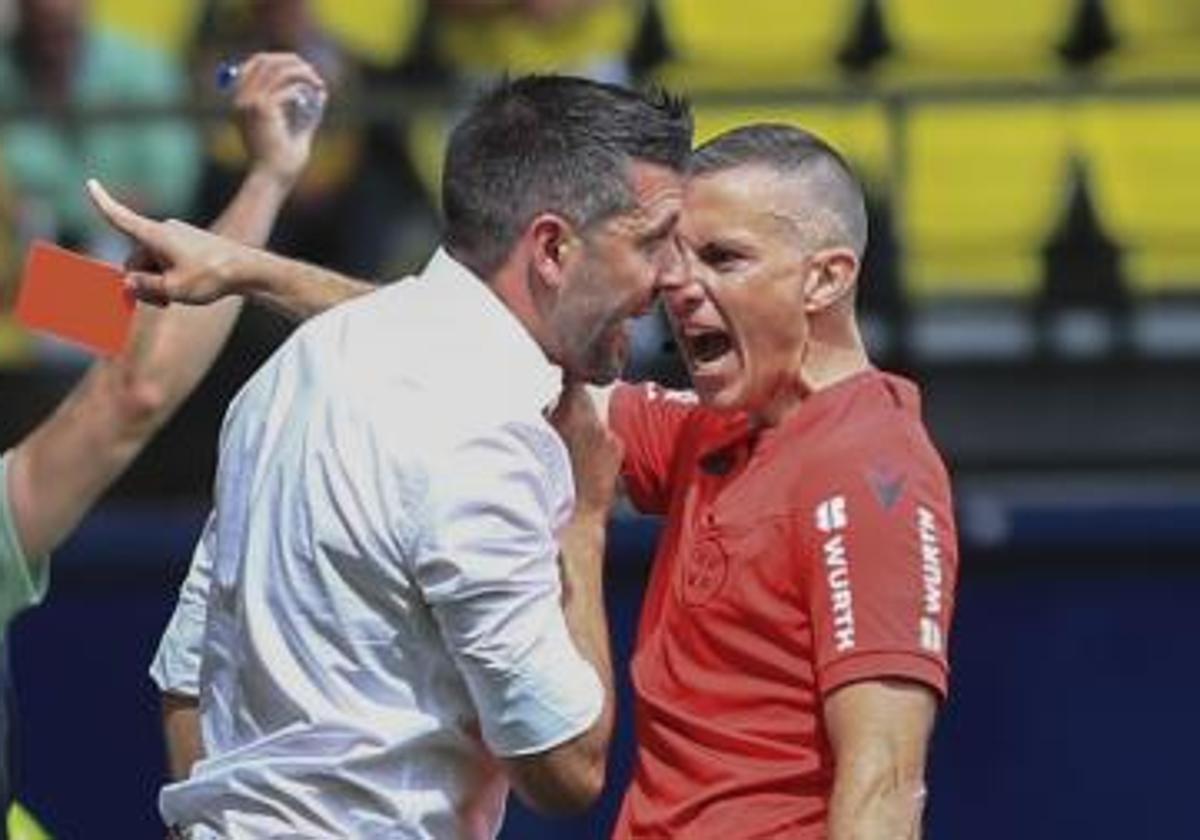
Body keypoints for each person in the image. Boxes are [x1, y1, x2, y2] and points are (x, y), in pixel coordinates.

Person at [86, 74, 692, 837]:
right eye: (652, 241)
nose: (676, 276)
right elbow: (567, 768)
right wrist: (587, 519)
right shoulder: (487, 432)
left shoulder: (294, 369)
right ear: (550, 247)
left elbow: (189, 672)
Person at [0, 51, 327, 832]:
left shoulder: (28, 280)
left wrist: (265, 182)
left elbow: (137, 332)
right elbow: (136, 385)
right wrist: (267, 180)